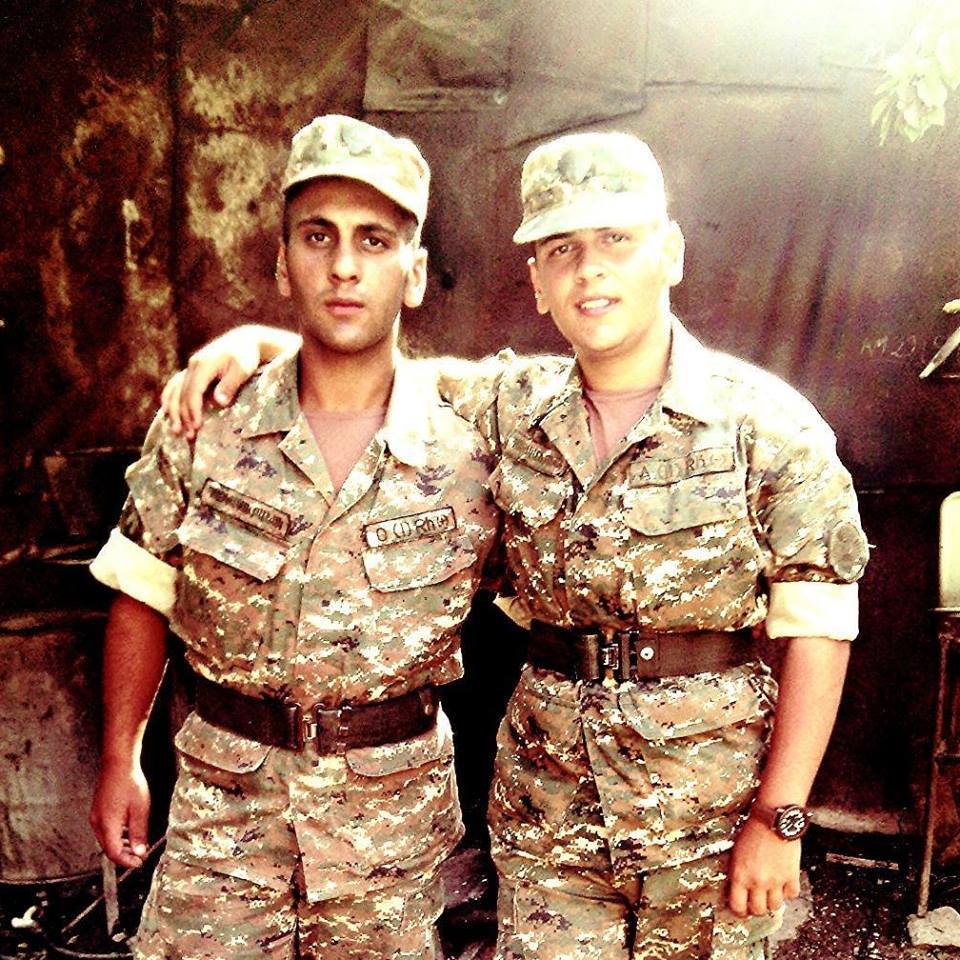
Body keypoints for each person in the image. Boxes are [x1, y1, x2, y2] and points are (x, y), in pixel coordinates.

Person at [165, 129, 868, 960]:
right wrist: (262, 344)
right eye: (561, 249)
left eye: (617, 238)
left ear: (670, 253)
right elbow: (367, 365)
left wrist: (780, 818)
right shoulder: (509, 408)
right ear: (536, 281)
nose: (590, 270)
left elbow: (819, 631)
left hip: (707, 819)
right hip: (551, 820)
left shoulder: (768, 426)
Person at [87, 114, 501, 960]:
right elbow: (141, 593)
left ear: (415, 273)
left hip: (387, 842)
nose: (344, 266)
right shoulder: (208, 423)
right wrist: (120, 758)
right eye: (318, 237)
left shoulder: (478, 440)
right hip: (221, 826)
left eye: (374, 240)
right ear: (282, 263)